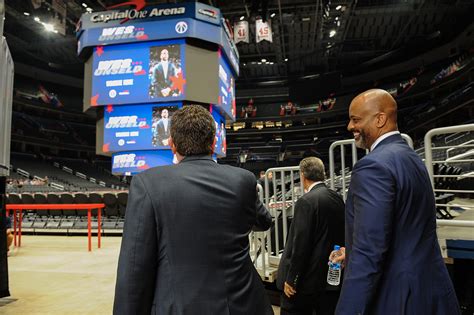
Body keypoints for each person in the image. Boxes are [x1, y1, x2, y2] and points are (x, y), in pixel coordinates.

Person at [114, 105, 274, 315]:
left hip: (179, 306)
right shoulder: (243, 180)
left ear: (171, 144)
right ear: (214, 143)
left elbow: (134, 267)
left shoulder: (147, 183)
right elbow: (264, 221)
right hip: (243, 305)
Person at [331, 89, 460, 314]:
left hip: (398, 297)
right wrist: (350, 251)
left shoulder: (372, 167)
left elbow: (369, 252)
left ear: (380, 119)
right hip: (430, 290)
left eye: (355, 119)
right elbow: (405, 228)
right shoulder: (412, 158)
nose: (350, 127)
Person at [276, 157, 345, 315]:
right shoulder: (337, 198)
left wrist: (291, 278)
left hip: (304, 282)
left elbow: (300, 245)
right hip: (329, 277)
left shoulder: (306, 201)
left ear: (302, 176)